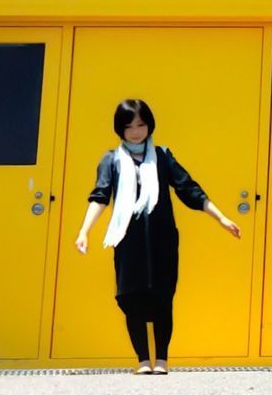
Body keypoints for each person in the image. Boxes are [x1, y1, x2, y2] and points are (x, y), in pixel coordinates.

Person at [74, 99, 240, 374]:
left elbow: (189, 189)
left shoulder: (162, 156)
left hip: (162, 239)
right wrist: (84, 231)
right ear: (120, 129)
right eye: (129, 126)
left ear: (149, 124)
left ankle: (161, 359)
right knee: (131, 297)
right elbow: (100, 196)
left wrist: (221, 217)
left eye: (141, 124)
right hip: (128, 240)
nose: (136, 131)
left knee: (163, 296)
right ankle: (142, 361)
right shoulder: (111, 160)